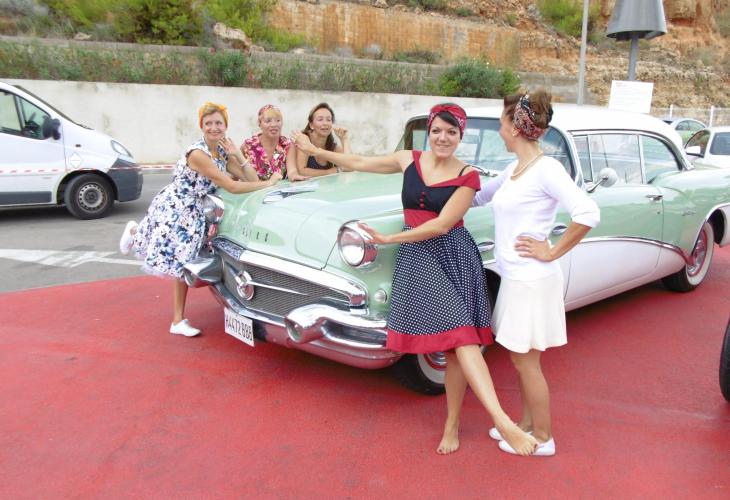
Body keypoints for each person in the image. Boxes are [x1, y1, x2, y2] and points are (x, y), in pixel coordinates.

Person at [292, 103, 538, 456]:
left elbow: (441, 225)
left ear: (460, 136)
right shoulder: (409, 159)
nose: (443, 138)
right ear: (428, 132)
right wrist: (315, 150)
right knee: (459, 340)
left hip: (453, 255)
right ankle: (497, 421)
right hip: (419, 258)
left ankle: (468, 423)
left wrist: (390, 238)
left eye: (451, 132)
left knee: (460, 344)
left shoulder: (468, 176)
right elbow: (359, 162)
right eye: (437, 130)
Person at [472, 91, 600, 456]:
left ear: (515, 128)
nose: (499, 129)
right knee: (520, 359)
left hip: (532, 279)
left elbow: (588, 212)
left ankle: (543, 438)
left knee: (526, 362)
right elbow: (478, 196)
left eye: (501, 123)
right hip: (517, 278)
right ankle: (525, 426)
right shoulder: (515, 170)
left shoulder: (547, 169)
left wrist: (552, 250)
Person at [119, 102, 282, 337]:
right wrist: (268, 184)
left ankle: (135, 232)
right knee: (179, 260)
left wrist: (238, 155)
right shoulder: (198, 154)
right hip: (178, 207)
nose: (214, 128)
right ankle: (177, 320)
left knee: (178, 257)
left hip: (199, 209)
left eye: (219, 123)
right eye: (208, 123)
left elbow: (250, 178)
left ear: (225, 126)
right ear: (201, 126)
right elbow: (232, 186)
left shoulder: (222, 150)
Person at [240, 104, 307, 182]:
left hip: (279, 189)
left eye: (278, 120)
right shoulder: (248, 145)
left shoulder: (287, 144)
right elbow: (235, 170)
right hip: (254, 188)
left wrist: (295, 176)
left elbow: (292, 171)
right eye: (268, 121)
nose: (274, 125)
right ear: (259, 123)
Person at [294, 102, 351, 177]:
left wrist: (344, 140)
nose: (325, 123)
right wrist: (331, 171)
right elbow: (302, 171)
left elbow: (350, 165)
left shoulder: (332, 146)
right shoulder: (304, 140)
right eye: (320, 119)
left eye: (328, 120)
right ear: (311, 125)